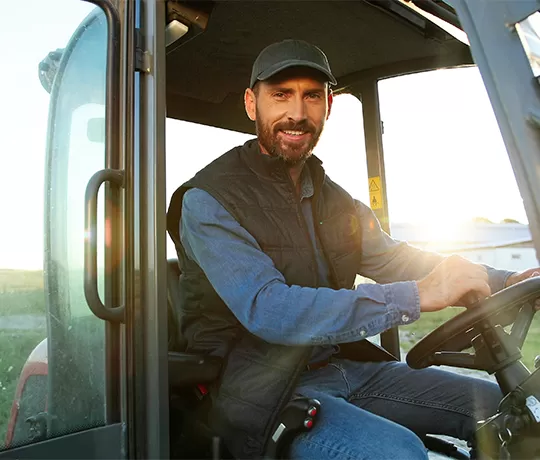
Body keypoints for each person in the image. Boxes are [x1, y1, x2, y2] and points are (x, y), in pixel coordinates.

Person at [166, 39, 540, 459]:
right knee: (400, 453)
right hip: (257, 392)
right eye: (281, 95)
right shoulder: (208, 200)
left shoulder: (334, 199)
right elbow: (268, 309)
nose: (297, 113)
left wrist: (503, 279)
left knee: (507, 408)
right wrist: (416, 296)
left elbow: (396, 258)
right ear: (252, 104)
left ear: (328, 105)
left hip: (343, 368)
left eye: (311, 96)